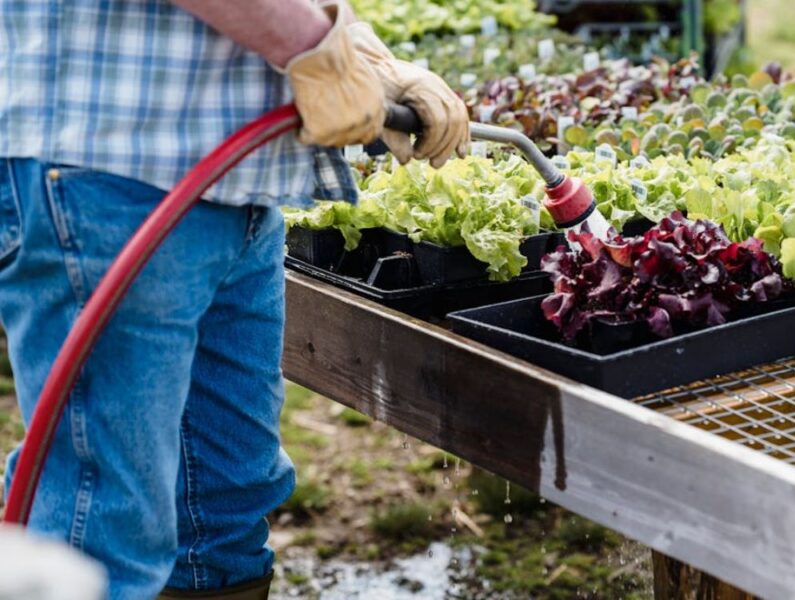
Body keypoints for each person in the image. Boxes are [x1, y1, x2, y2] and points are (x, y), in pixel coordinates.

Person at [0, 1, 469, 598]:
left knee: (219, 511)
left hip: (234, 182)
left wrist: (364, 53)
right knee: (100, 528)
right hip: (110, 170)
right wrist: (318, 48)